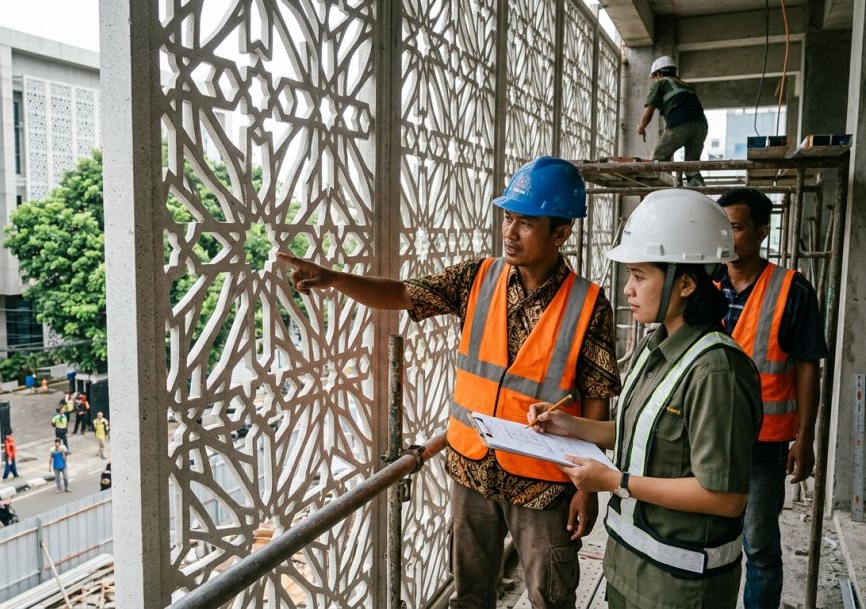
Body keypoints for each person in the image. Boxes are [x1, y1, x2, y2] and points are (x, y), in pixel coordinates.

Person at [277, 156, 621, 609]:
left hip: (544, 485)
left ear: (561, 233)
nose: (510, 233)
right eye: (508, 218)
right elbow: (402, 294)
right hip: (472, 472)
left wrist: (585, 487)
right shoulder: (476, 278)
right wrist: (335, 279)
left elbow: (596, 401)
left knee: (550, 597)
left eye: (526, 223)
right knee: (469, 597)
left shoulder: (589, 304)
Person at [528, 189, 763, 609]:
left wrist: (617, 483)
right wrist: (571, 425)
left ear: (687, 283)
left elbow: (726, 498)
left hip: (682, 586)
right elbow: (642, 431)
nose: (628, 290)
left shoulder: (716, 371)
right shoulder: (656, 346)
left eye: (640, 276)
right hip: (630, 568)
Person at [716, 188, 828, 609]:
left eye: (737, 226)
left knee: (759, 546)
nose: (727, 235)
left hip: (764, 444)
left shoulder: (792, 290)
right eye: (721, 225)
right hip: (702, 434)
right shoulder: (700, 280)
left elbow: (807, 366)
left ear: (763, 232)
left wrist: (805, 438)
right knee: (703, 536)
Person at [637, 56, 708, 187]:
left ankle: (670, 187)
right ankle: (697, 185)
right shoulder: (686, 85)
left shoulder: (661, 82)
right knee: (692, 164)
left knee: (659, 158)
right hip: (701, 125)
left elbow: (649, 111)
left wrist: (641, 127)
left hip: (681, 122)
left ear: (658, 74)